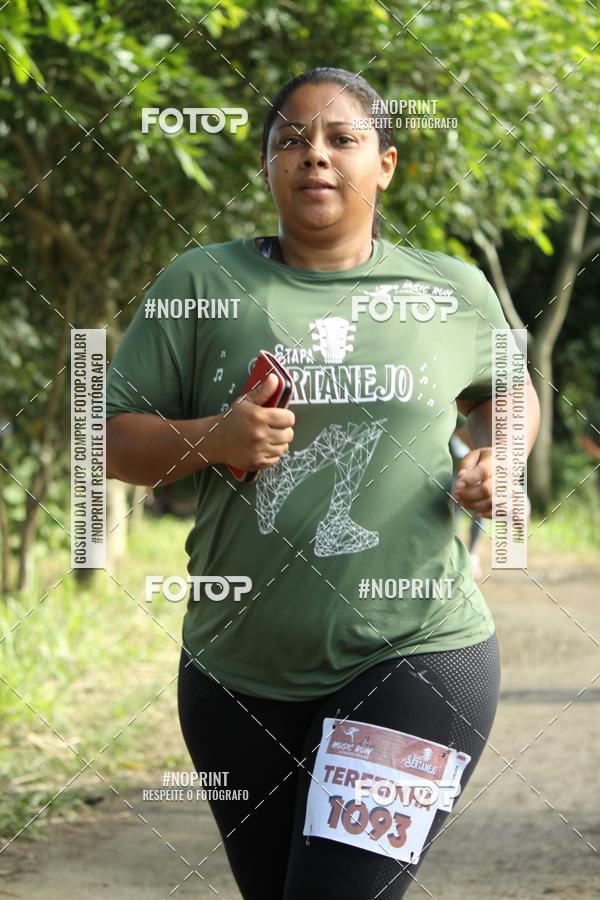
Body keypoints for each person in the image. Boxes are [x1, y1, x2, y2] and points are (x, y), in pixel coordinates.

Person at [106, 67, 540, 899]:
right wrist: (214, 436)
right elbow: (115, 442)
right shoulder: (201, 284)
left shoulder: (446, 289)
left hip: (415, 650)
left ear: (386, 164)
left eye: (342, 139)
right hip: (236, 671)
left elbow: (508, 392)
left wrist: (502, 458)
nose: (315, 156)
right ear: (266, 168)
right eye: (290, 141)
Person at [450, 414, 485, 580]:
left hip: (475, 471)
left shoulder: (475, 414)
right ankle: (454, 556)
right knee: (451, 515)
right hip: (452, 475)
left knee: (480, 513)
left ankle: (472, 554)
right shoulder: (451, 413)